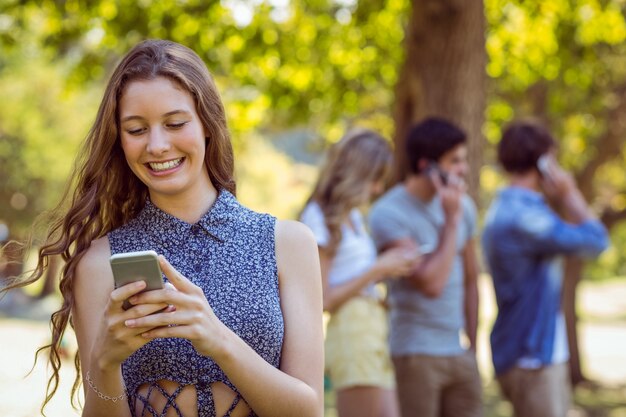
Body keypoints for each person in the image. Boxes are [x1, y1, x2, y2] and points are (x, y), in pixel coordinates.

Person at [1, 39, 324, 417]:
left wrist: (217, 338)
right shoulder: (99, 263)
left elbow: (309, 411)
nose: (157, 145)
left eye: (175, 123)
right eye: (136, 129)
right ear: (119, 140)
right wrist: (105, 363)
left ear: (207, 123)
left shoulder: (287, 244)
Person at [482, 120, 609, 417]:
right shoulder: (526, 218)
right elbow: (596, 241)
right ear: (542, 161)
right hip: (532, 358)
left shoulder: (516, 210)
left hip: (536, 353)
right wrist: (569, 192)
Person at [368, 117, 483, 417]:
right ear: (426, 166)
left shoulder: (465, 207)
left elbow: (472, 278)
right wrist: (452, 220)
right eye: (455, 161)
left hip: (459, 352)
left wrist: (473, 345)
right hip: (415, 354)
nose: (463, 169)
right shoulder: (388, 213)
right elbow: (431, 283)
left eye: (464, 159)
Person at [300, 129, 417, 417]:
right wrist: (377, 269)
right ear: (357, 173)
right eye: (375, 179)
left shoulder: (352, 216)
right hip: (352, 332)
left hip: (373, 328)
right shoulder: (319, 217)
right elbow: (322, 300)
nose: (377, 189)